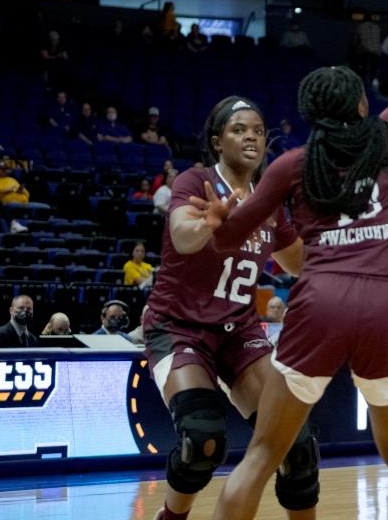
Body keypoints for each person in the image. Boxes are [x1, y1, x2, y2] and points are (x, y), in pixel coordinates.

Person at [193, 0, 388, 520]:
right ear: (357, 103)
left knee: (259, 457)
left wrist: (217, 224)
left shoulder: (292, 164)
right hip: (382, 302)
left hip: (319, 300)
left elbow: (229, 242)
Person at [141, 95, 316, 520]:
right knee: (202, 441)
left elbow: (298, 263)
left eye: (257, 129)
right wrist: (209, 223)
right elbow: (183, 237)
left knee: (295, 444)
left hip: (239, 332)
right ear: (218, 141)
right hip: (178, 327)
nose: (251, 136)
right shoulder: (194, 181)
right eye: (239, 129)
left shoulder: (270, 199)